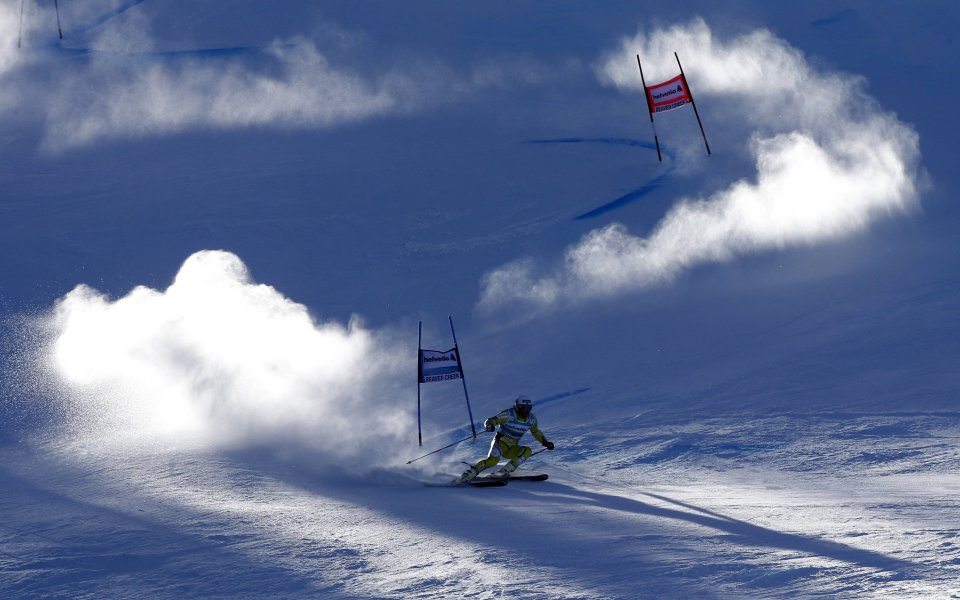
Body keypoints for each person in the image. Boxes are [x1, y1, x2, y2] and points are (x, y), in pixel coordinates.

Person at [457, 395, 555, 482]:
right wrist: (490, 425)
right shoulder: (509, 414)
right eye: (523, 408)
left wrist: (545, 442)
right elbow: (491, 420)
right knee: (493, 461)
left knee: (527, 451)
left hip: (511, 448)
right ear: (517, 406)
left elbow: (536, 432)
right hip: (500, 443)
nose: (525, 411)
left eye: (528, 408)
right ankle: (468, 475)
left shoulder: (532, 420)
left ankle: (503, 471)